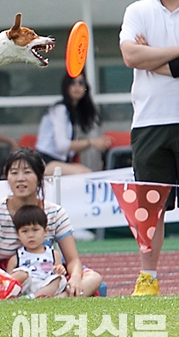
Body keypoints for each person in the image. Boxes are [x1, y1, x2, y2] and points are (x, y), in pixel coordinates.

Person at [0, 147, 103, 300]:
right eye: (14, 173)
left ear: (39, 177)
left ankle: (53, 300)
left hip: (45, 276)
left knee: (93, 278)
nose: (20, 178)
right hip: (4, 278)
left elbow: (73, 259)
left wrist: (75, 277)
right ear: (7, 177)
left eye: (27, 172)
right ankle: (1, 302)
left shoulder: (56, 212)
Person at [119, 0, 179, 296]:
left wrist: (150, 55)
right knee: (151, 209)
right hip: (149, 123)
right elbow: (130, 56)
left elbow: (141, 57)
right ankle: (148, 278)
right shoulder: (138, 10)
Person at [35, 72, 111, 176]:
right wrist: (91, 142)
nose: (77, 87)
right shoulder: (60, 110)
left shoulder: (75, 112)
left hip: (62, 162)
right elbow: (62, 145)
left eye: (81, 83)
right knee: (85, 173)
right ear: (66, 86)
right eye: (72, 83)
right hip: (46, 162)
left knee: (87, 171)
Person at [6, 205, 67, 299]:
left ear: (45, 231)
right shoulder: (16, 258)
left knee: (60, 279)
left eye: (35, 230)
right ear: (18, 234)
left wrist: (60, 269)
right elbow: (9, 279)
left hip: (45, 285)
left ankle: (33, 297)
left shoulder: (53, 254)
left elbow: (58, 270)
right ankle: (14, 296)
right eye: (24, 231)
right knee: (23, 273)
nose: (30, 235)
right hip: (26, 286)